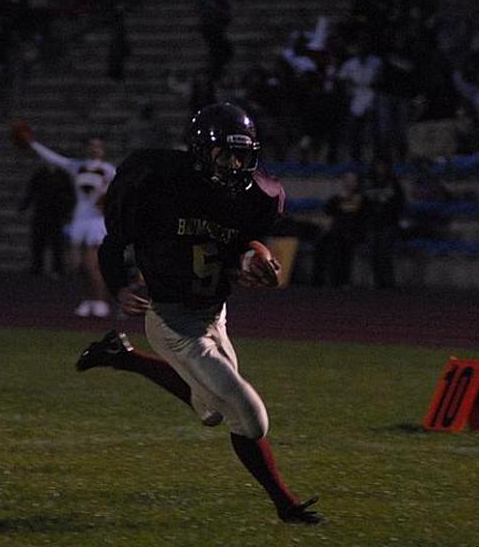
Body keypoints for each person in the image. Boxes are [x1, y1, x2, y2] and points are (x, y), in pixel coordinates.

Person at [79, 103, 322, 524]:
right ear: (198, 151)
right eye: (225, 153)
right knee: (250, 415)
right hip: (172, 323)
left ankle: (123, 357)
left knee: (209, 410)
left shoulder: (255, 196)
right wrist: (120, 286)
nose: (234, 164)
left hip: (214, 314)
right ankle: (285, 505)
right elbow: (113, 244)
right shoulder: (159, 183)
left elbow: (243, 243)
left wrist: (257, 257)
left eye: (241, 155)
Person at [27, 135, 116, 317]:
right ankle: (87, 300)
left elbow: (119, 190)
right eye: (92, 145)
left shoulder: (108, 169)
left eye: (98, 146)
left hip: (96, 221)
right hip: (79, 219)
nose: (94, 149)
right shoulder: (77, 166)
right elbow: (54, 158)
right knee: (78, 266)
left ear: (103, 150)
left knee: (92, 265)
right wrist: (32, 143)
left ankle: (101, 301)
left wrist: (108, 202)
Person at [19, 157, 75, 278]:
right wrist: (24, 205)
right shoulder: (40, 173)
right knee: (38, 241)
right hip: (41, 212)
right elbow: (31, 190)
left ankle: (58, 268)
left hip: (56, 213)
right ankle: (37, 267)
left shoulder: (63, 175)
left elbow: (71, 194)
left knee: (57, 242)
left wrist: (67, 210)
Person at [312, 170, 364, 288]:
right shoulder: (335, 199)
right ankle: (319, 280)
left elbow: (360, 218)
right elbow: (327, 214)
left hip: (352, 232)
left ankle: (342, 280)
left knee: (342, 243)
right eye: (347, 180)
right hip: (335, 231)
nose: (349, 183)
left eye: (352, 181)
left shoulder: (361, 199)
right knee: (322, 242)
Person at [362, 154, 406, 288]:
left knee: (385, 252)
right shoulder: (368, 183)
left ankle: (388, 283)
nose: (380, 168)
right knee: (373, 253)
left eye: (382, 165)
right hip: (372, 223)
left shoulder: (393, 183)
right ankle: (377, 282)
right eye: (377, 165)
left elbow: (399, 203)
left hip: (388, 223)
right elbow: (364, 203)